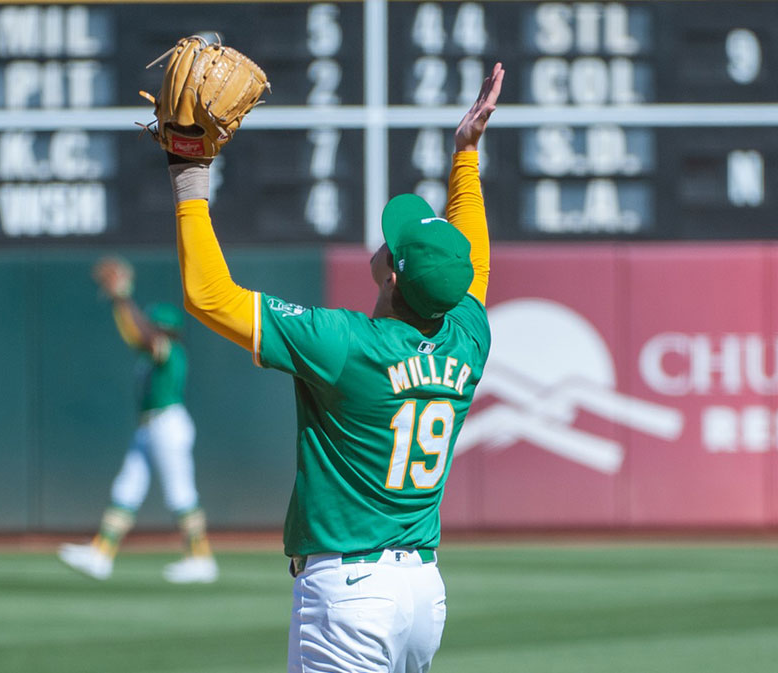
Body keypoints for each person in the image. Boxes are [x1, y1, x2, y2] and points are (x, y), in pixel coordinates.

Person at [163, 62, 504, 671]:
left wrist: (189, 170)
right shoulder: (468, 336)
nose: (386, 237)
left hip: (350, 593)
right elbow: (470, 259)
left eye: (394, 240)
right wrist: (466, 157)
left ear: (393, 276)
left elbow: (209, 297)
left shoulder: (345, 344)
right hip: (423, 592)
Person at [58, 257, 218, 584]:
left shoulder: (169, 350)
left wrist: (123, 297)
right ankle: (102, 553)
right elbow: (137, 333)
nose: (151, 327)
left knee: (180, 493)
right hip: (150, 427)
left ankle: (202, 558)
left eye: (156, 324)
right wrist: (121, 302)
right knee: (127, 486)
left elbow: (143, 334)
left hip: (167, 425)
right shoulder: (153, 351)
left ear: (166, 329)